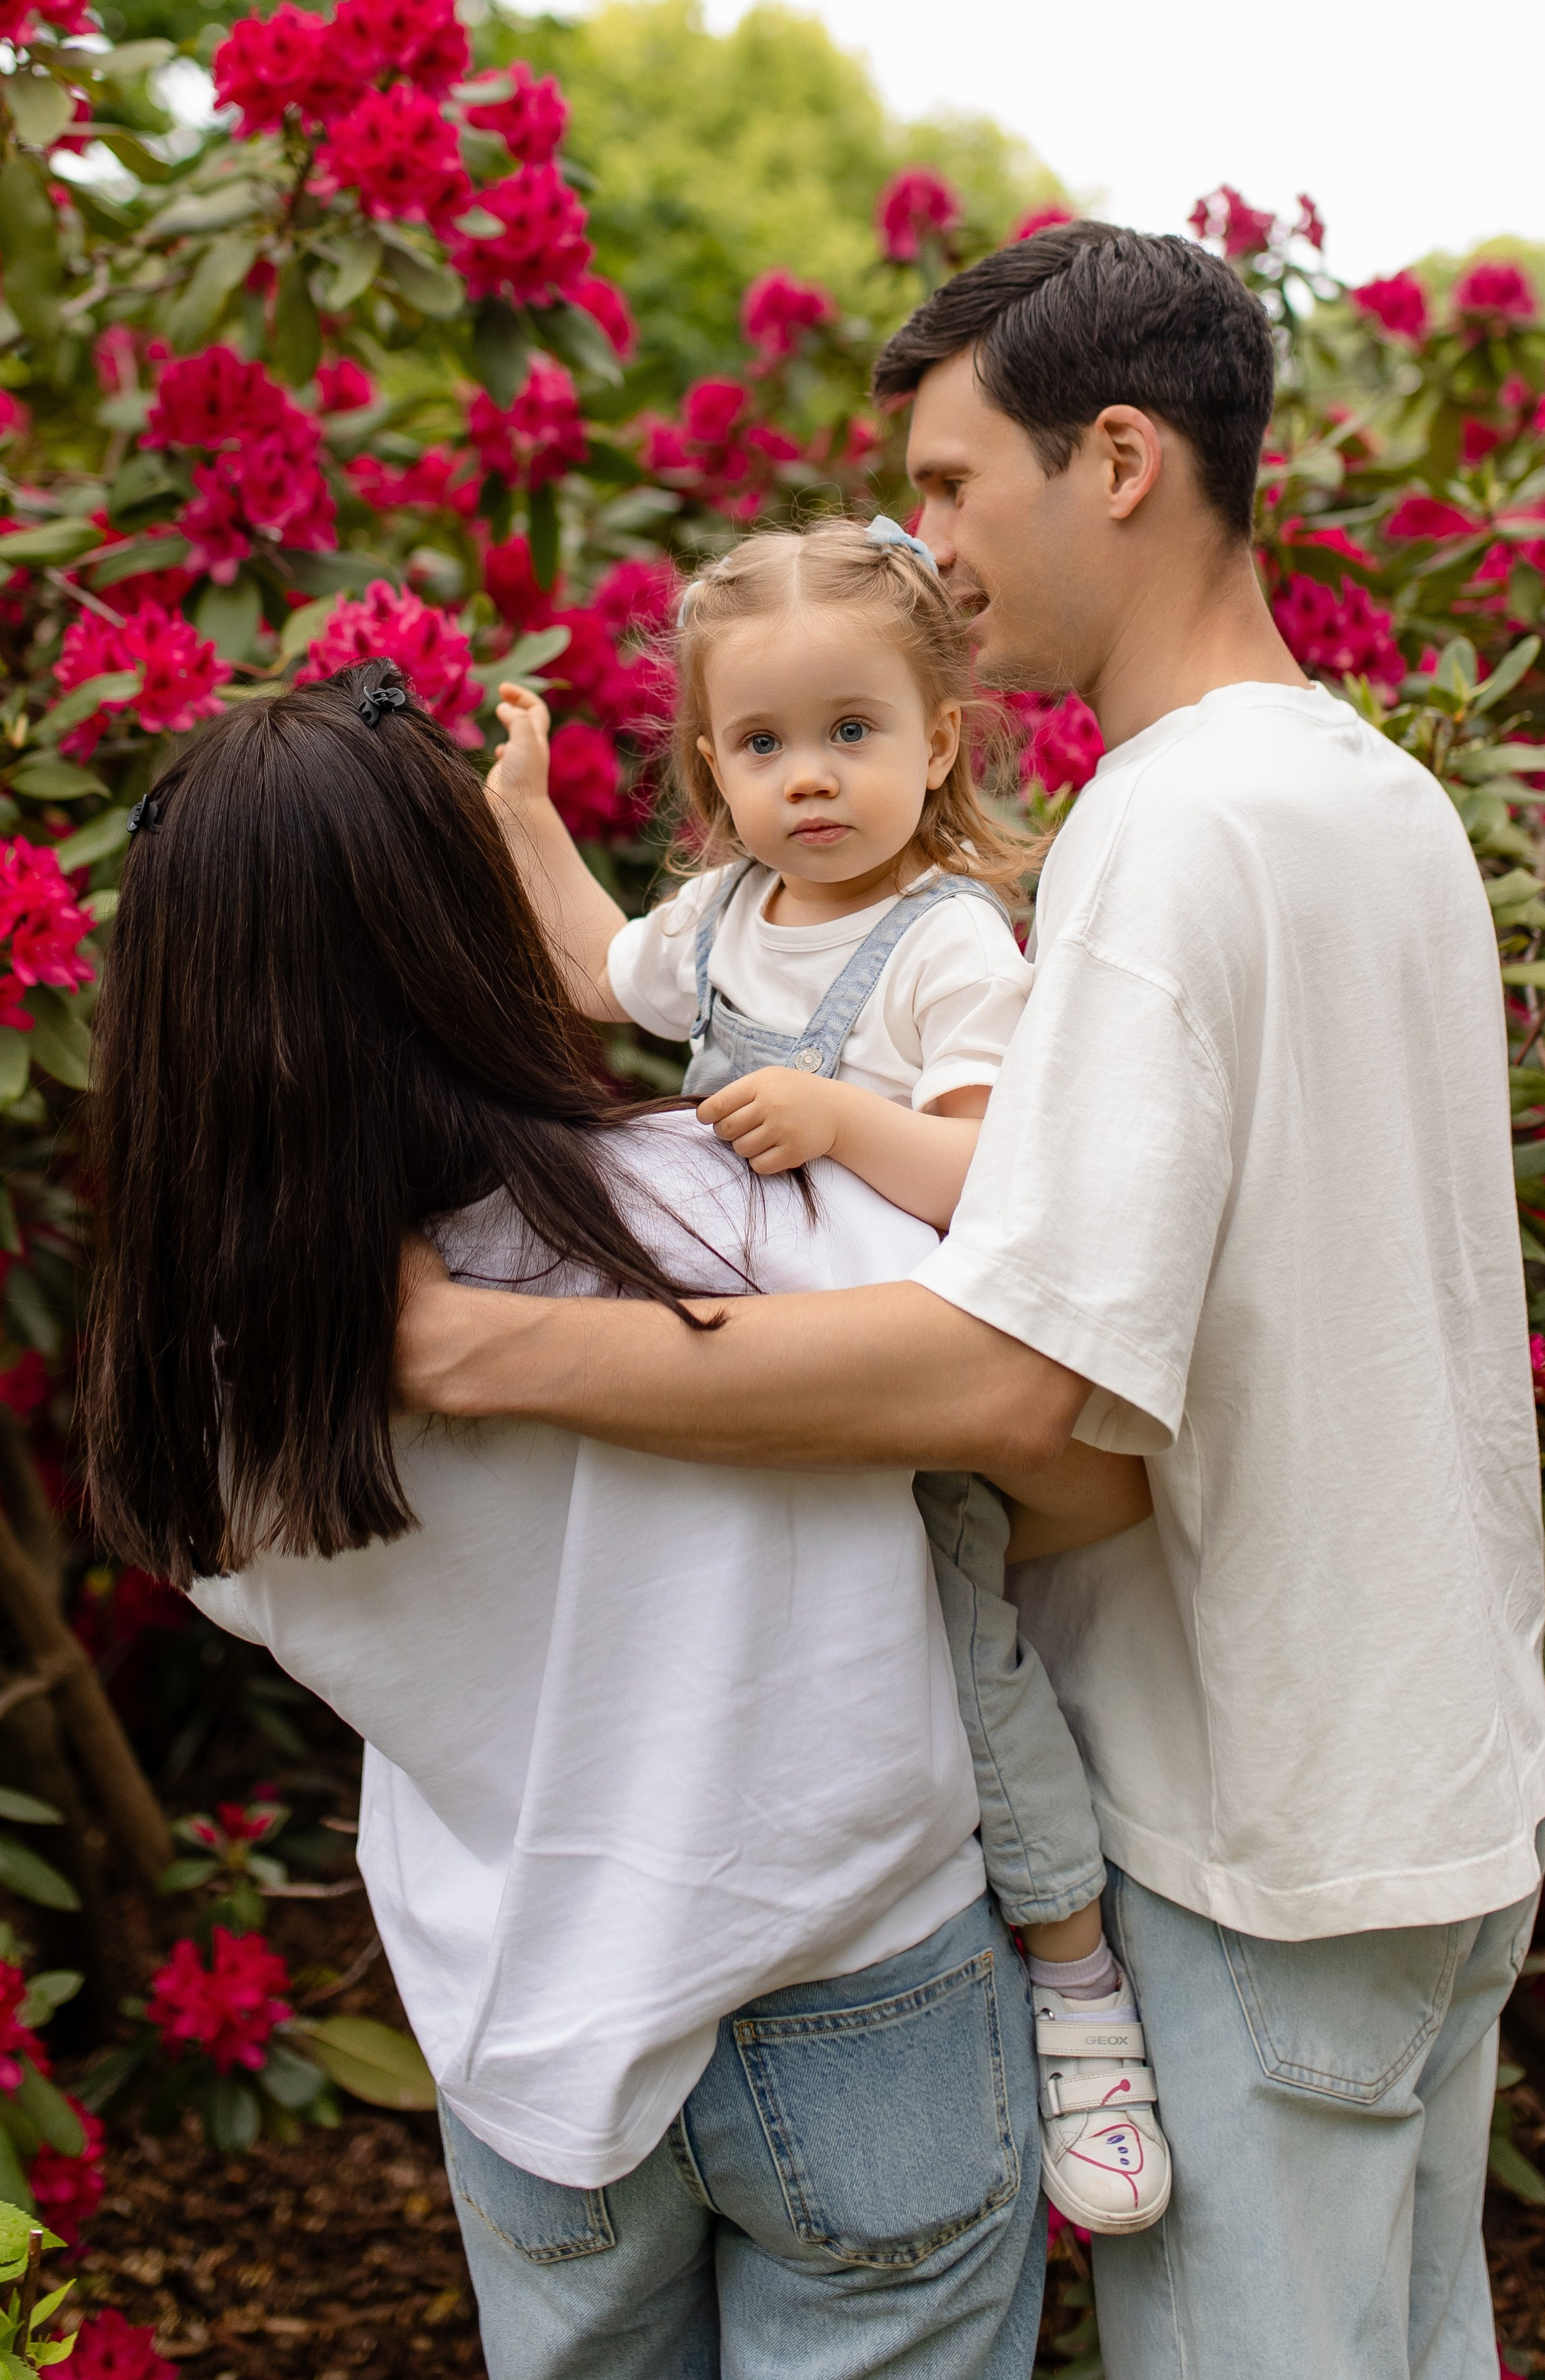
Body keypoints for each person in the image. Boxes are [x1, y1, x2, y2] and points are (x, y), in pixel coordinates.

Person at [393, 221, 1545, 2379]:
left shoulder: (1163, 833)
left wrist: (486, 1350)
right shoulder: (1370, 791)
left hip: (1257, 1829)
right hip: (1441, 1796)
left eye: (946, 486)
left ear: (1116, 459)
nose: (922, 547)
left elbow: (1016, 1375)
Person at [84, 659, 1148, 2380]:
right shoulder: (727, 1199)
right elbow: (1079, 1465)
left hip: (530, 2031)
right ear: (464, 930)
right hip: (857, 1979)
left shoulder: (218, 1383)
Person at [487, 509, 1167, 2232]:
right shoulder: (722, 918)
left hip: (907, 1404)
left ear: (938, 740)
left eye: (852, 733)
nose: (811, 779)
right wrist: (523, 819)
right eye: (766, 744)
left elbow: (998, 1179)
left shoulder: (948, 943)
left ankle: (1079, 1994)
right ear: (711, 770)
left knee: (972, 1673)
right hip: (757, 1406)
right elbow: (594, 964)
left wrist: (842, 1117)